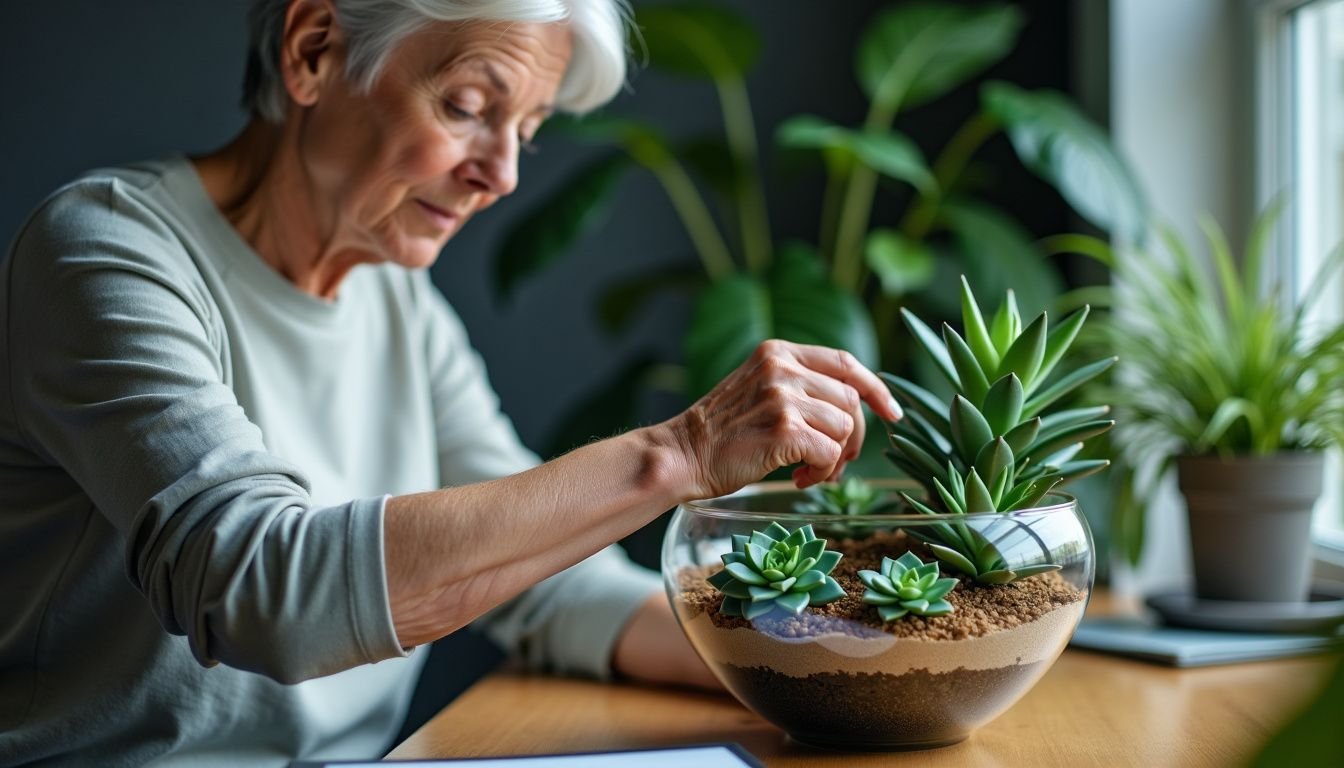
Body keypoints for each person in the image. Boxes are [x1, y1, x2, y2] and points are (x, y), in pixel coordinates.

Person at [0, 0, 902, 765]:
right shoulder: (107, 251)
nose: (501, 174)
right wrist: (684, 452)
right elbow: (259, 591)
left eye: (529, 132)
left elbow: (540, 581)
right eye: (469, 106)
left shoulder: (396, 298)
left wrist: (861, 659)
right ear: (314, 50)